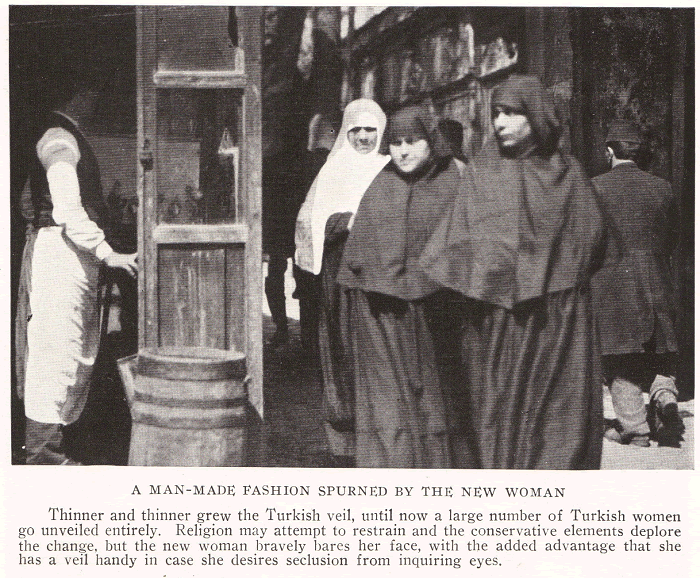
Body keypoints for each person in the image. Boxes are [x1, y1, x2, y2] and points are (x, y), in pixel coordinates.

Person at [421, 74, 608, 469]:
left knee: (557, 420)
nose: (501, 123)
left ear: (536, 116)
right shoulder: (481, 173)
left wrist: (556, 278)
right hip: (497, 322)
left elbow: (591, 241)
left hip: (556, 324)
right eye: (496, 114)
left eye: (511, 113)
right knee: (498, 413)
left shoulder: (570, 174)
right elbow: (459, 241)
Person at [15, 81, 138, 465]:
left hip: (71, 258)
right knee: (55, 354)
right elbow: (67, 208)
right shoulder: (58, 136)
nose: (98, 99)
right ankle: (43, 454)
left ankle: (57, 450)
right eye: (93, 91)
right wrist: (107, 252)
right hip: (59, 258)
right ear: (78, 94)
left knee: (71, 353)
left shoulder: (68, 135)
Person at [336, 103, 463, 468]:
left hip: (440, 317)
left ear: (431, 141)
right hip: (384, 317)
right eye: (395, 142)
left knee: (438, 403)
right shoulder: (381, 186)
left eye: (413, 140)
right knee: (388, 403)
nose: (403, 151)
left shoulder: (455, 183)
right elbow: (360, 258)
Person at [296, 99, 389, 465]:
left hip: (381, 273)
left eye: (371, 130)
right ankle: (346, 433)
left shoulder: (389, 169)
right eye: (356, 130)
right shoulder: (333, 172)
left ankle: (381, 427)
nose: (364, 137)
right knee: (343, 346)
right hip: (341, 275)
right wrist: (346, 221)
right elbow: (312, 224)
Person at [591, 120, 684, 448]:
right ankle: (664, 398)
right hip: (656, 282)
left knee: (621, 362)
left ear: (609, 152)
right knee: (658, 353)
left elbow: (589, 242)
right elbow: (673, 237)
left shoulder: (595, 187)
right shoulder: (663, 187)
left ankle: (636, 429)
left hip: (614, 288)